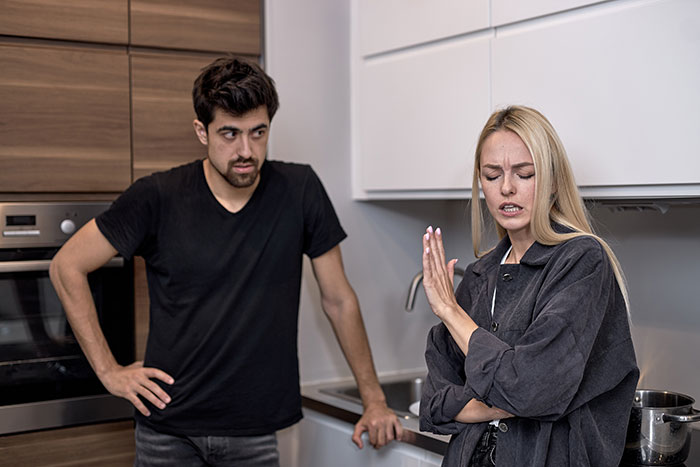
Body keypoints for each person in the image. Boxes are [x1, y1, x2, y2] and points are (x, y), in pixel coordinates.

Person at [49, 56, 402, 466]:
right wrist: (108, 371)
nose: (246, 151)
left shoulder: (299, 190)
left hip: (253, 431)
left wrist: (374, 400)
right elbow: (66, 266)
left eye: (258, 133)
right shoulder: (157, 197)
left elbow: (339, 300)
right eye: (229, 134)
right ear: (202, 131)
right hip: (167, 429)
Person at [418, 105, 638, 466]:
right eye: (492, 175)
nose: (506, 188)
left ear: (551, 180)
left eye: (525, 174)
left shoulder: (581, 261)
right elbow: (433, 402)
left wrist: (448, 310)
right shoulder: (479, 276)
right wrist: (501, 405)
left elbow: (533, 389)